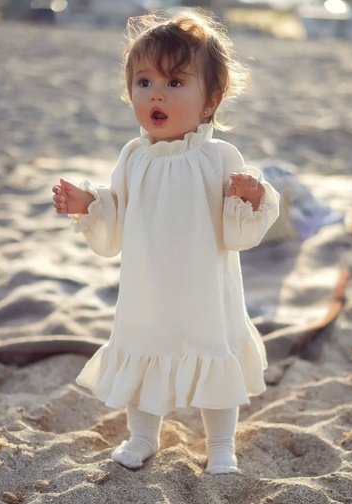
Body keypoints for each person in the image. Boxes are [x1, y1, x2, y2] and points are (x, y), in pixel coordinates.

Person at [52, 9, 280, 474]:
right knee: (143, 349)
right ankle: (142, 436)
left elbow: (240, 230)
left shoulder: (218, 157)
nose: (156, 93)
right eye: (144, 82)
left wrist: (252, 197)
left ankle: (221, 444)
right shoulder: (133, 156)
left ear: (211, 100)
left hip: (204, 289)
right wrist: (89, 203)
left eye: (175, 82)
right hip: (147, 289)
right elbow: (117, 211)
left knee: (213, 353)